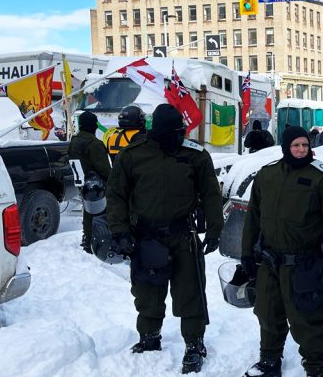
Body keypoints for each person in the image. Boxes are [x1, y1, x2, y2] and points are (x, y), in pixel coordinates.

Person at [106, 104, 224, 374]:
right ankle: (149, 336)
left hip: (183, 235)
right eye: (173, 133)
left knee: (190, 292)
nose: (178, 137)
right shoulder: (133, 155)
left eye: (181, 132)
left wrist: (215, 229)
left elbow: (210, 194)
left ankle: (194, 343)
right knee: (147, 290)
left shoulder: (195, 155)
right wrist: (120, 231)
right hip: (146, 235)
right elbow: (116, 195)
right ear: (156, 131)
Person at [240, 125, 323, 377]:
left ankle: (314, 367)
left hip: (305, 263)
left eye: (305, 145)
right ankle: (269, 361)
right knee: (268, 312)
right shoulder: (267, 174)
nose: (301, 150)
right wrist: (247, 252)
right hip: (270, 261)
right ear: (285, 147)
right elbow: (253, 216)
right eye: (296, 145)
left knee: (306, 319)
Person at [69, 111, 111, 254]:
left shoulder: (74, 141)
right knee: (100, 213)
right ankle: (96, 241)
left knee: (88, 212)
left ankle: (88, 239)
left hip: (82, 181)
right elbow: (104, 169)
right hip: (96, 184)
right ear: (92, 126)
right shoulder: (94, 144)